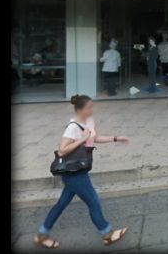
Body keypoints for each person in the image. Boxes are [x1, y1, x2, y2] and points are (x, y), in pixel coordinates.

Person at [34, 94, 129, 249]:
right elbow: (62, 150)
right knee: (93, 201)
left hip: (80, 169)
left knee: (61, 204)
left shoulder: (89, 121)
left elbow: (95, 138)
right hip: (74, 173)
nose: (91, 110)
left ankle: (42, 235)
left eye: (92, 107)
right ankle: (107, 233)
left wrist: (116, 138)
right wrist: (82, 139)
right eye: (89, 108)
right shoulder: (72, 127)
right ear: (80, 109)